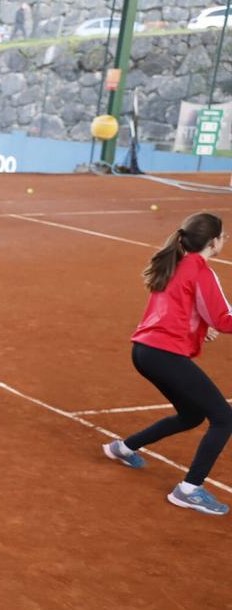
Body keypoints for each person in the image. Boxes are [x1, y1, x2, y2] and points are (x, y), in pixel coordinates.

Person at [103, 212, 232, 515]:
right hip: (165, 355)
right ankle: (189, 490)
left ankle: (123, 448)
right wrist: (213, 322)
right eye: (223, 236)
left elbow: (182, 306)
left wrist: (203, 326)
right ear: (213, 243)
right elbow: (224, 319)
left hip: (145, 352)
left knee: (190, 415)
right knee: (225, 418)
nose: (225, 240)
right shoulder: (200, 269)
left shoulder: (176, 263)